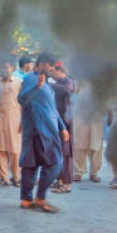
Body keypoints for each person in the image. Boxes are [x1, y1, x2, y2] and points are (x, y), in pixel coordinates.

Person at [17, 52, 68, 213]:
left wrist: (62, 127)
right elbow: (22, 99)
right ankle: (39, 198)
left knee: (31, 164)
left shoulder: (47, 84)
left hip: (47, 130)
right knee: (54, 162)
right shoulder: (31, 80)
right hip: (39, 130)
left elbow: (52, 109)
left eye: (54, 66)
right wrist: (37, 86)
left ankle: (26, 200)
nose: (53, 69)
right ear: (40, 65)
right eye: (50, 66)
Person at [0, 61, 23, 188]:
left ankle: (16, 178)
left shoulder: (19, 82)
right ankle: (3, 178)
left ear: (13, 68)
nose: (4, 69)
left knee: (15, 150)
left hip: (15, 120)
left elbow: (24, 103)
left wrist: (23, 121)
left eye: (7, 67)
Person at [50, 63, 76, 194]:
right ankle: (59, 180)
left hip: (66, 122)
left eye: (53, 72)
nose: (52, 75)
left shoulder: (68, 81)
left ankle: (66, 184)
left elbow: (66, 90)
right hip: (59, 121)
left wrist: (50, 84)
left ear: (60, 70)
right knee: (59, 152)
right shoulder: (60, 82)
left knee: (66, 153)